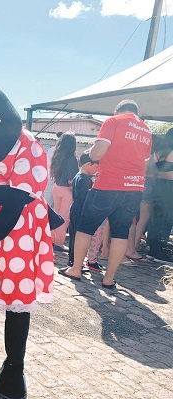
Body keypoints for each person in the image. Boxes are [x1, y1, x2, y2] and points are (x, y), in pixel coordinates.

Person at [62, 100, 152, 288]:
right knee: (120, 233)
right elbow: (145, 164)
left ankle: (76, 269)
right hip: (134, 187)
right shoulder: (146, 130)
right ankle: (109, 278)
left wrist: (92, 152)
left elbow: (97, 154)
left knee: (86, 227)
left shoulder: (113, 121)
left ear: (117, 111)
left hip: (109, 184)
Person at [67, 151, 101, 269]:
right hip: (81, 210)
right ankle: (75, 262)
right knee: (78, 237)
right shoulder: (86, 179)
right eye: (96, 167)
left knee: (73, 236)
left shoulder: (77, 176)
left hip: (75, 208)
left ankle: (72, 260)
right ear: (88, 164)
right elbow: (86, 198)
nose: (96, 170)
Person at [146, 128, 173, 263]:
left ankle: (152, 248)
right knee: (165, 219)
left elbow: (149, 164)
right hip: (168, 189)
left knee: (156, 218)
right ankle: (158, 251)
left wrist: (156, 174)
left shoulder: (161, 151)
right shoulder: (171, 151)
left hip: (158, 187)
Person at [50, 132, 79, 251]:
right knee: (64, 217)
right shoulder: (72, 159)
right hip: (67, 190)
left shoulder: (57, 156)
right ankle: (59, 242)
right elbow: (71, 180)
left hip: (56, 187)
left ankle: (51, 239)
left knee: (55, 215)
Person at [43, 131, 63, 208]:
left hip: (50, 180)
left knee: (47, 204)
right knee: (51, 206)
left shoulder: (51, 150)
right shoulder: (65, 154)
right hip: (56, 182)